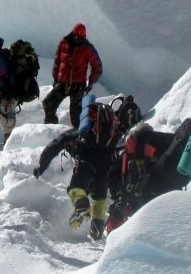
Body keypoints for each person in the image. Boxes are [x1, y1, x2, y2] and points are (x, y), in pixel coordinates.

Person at [109, 121, 191, 231]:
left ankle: (124, 242)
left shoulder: (164, 139)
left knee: (143, 214)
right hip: (173, 191)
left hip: (153, 181)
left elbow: (137, 148)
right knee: (163, 218)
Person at [34, 99, 125, 240]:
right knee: (99, 197)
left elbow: (54, 145)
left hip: (86, 159)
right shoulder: (112, 132)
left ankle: (82, 207)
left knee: (75, 188)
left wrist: (42, 166)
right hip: (107, 162)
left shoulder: (81, 131)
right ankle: (97, 230)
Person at [42, 23, 102, 128]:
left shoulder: (88, 48)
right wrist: (56, 78)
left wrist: (91, 82)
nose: (79, 40)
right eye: (77, 37)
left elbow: (97, 66)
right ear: (73, 34)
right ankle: (51, 129)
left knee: (76, 116)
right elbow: (58, 60)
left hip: (78, 86)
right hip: (62, 83)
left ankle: (79, 137)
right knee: (48, 103)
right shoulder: (64, 42)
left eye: (82, 38)